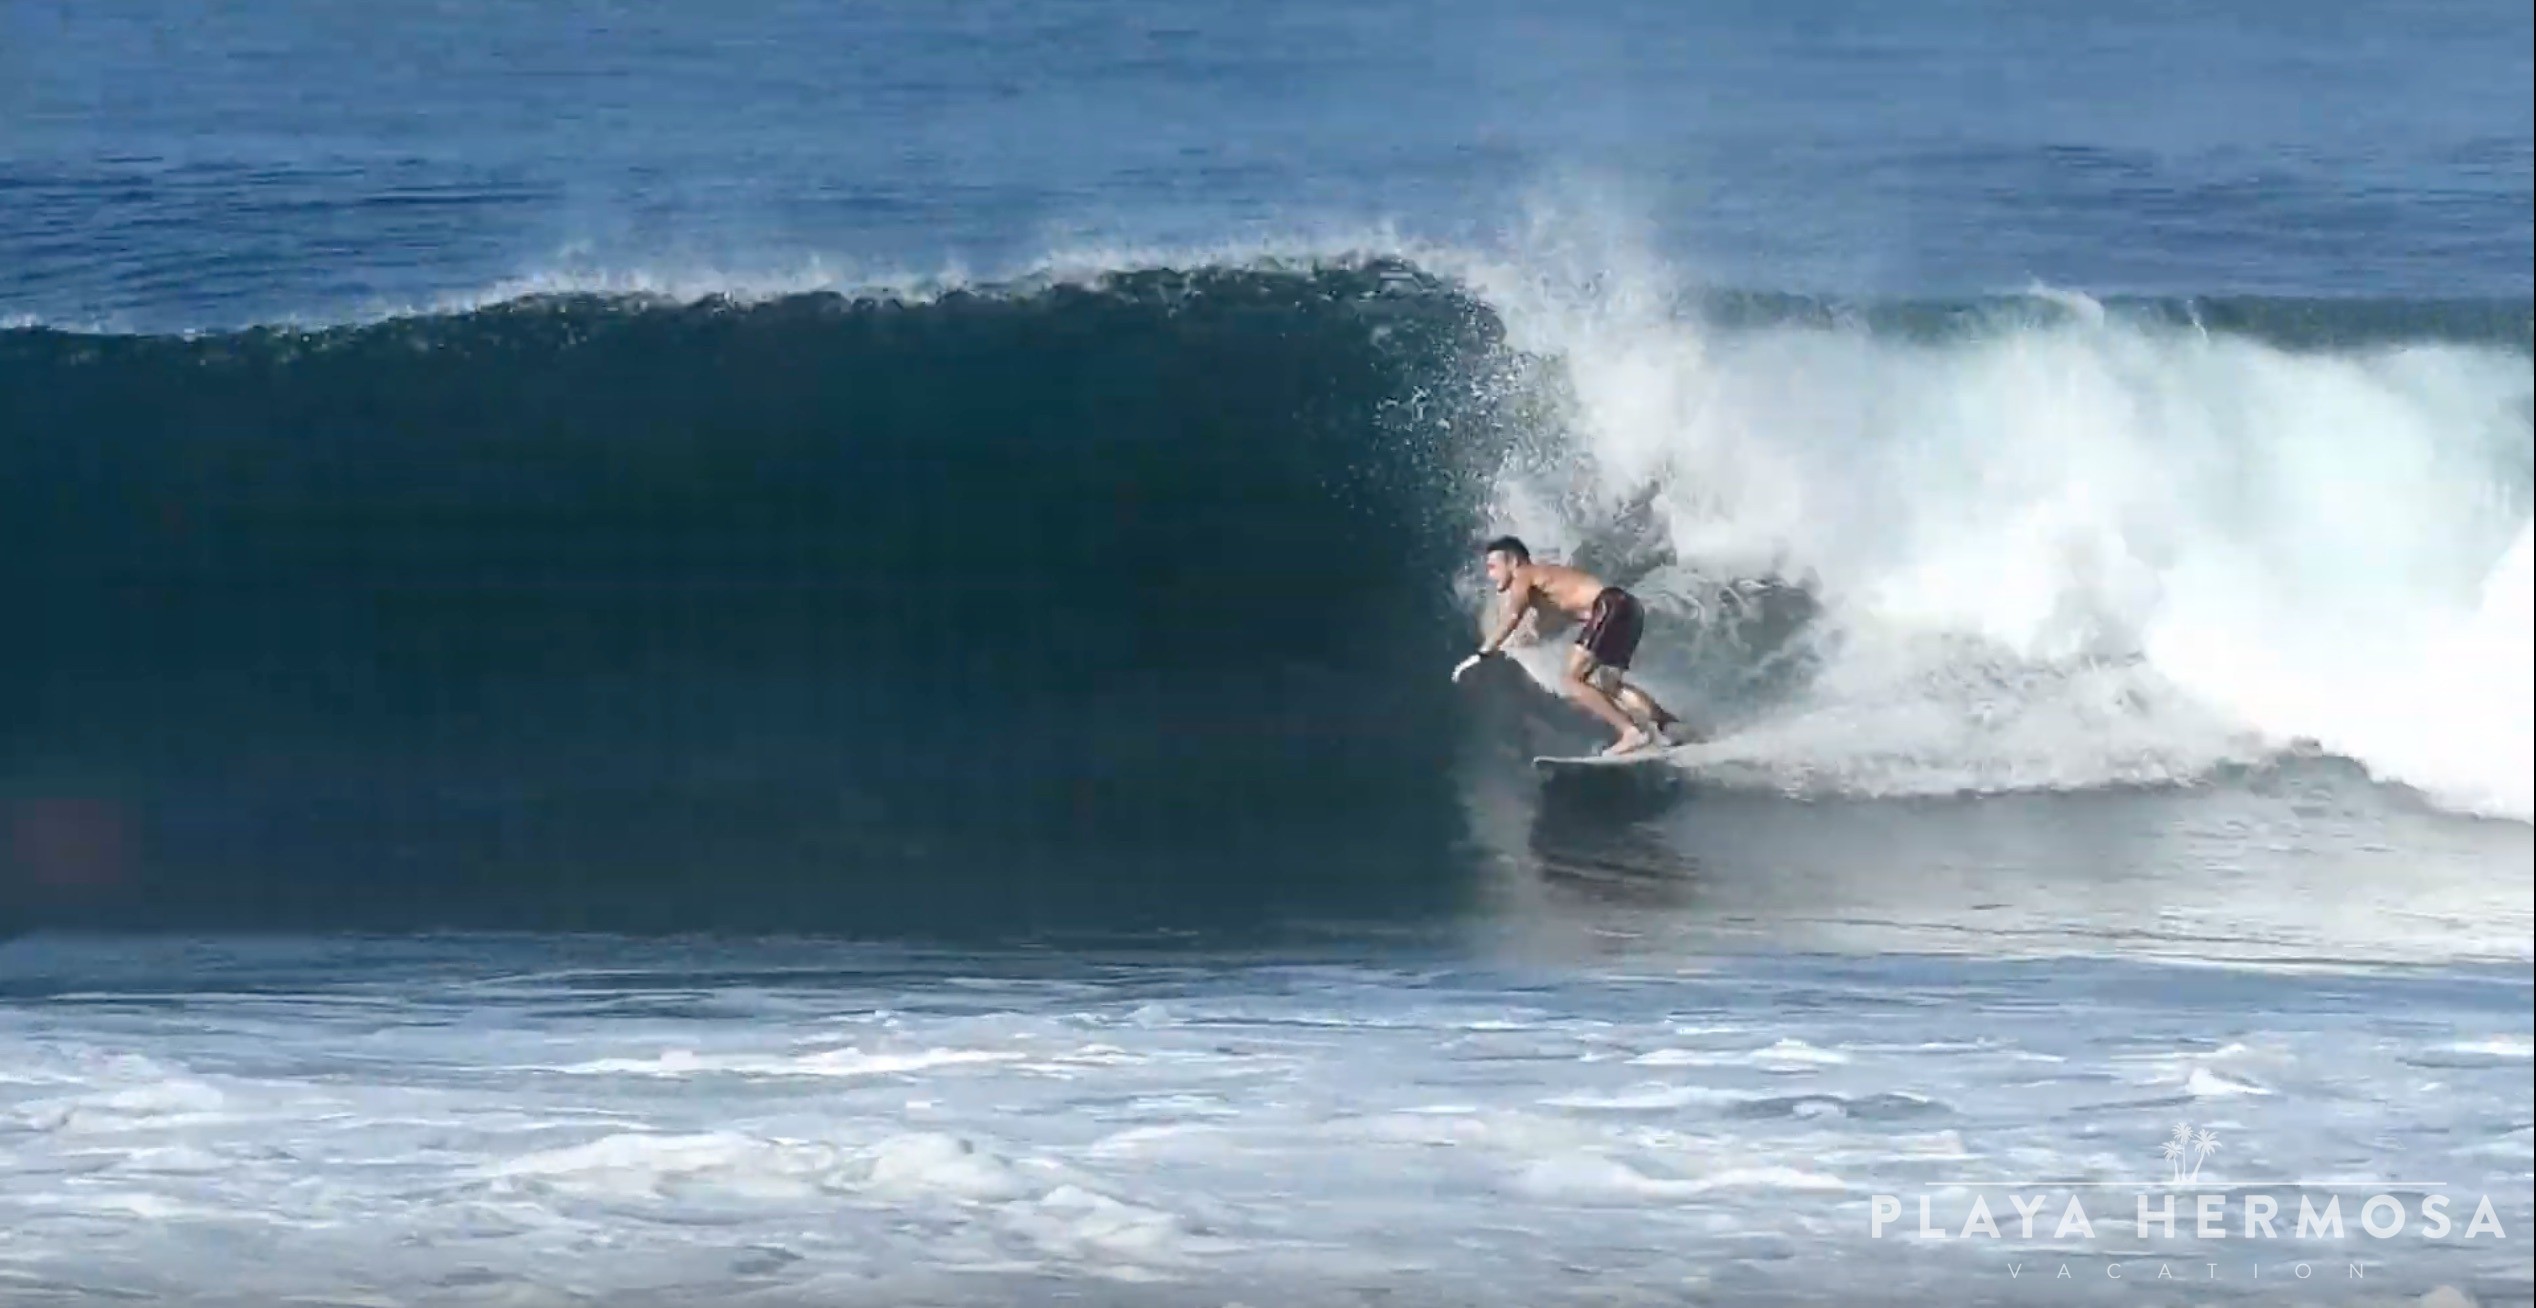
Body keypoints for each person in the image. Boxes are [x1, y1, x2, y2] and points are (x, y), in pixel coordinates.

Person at [1453, 536, 1687, 755]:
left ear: (1513, 561)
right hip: (1628, 607)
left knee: (1571, 680)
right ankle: (1669, 726)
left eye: (1493, 566)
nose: (1490, 574)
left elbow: (1513, 616)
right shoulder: (1549, 578)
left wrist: (1483, 653)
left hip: (1610, 605)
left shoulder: (1523, 574)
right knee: (1608, 684)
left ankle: (1630, 732)